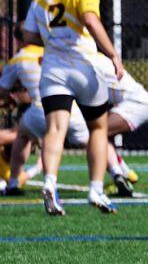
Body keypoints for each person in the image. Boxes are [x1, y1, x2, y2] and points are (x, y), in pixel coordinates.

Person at [21, 0, 124, 216]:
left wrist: (50, 38)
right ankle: (95, 189)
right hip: (83, 68)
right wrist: (112, 54)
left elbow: (28, 37)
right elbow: (90, 20)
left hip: (53, 70)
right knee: (99, 129)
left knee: (55, 130)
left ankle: (50, 183)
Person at [1, 41, 89, 196]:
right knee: (94, 140)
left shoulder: (20, 58)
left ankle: (17, 182)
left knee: (23, 133)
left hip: (42, 109)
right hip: (72, 110)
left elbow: (3, 90)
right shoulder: (57, 53)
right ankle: (118, 171)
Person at [103, 68, 148, 197]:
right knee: (95, 135)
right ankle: (124, 173)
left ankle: (120, 174)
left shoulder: (86, 63)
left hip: (137, 105)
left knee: (93, 136)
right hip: (132, 103)